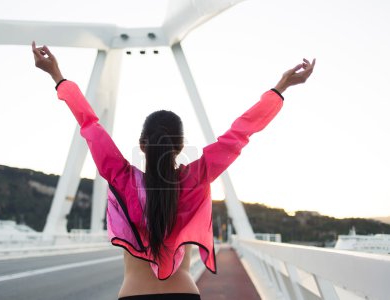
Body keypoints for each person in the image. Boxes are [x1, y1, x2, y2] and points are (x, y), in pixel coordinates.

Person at [32, 41, 315, 300]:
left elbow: (89, 124)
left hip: (133, 294)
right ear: (180, 146)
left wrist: (57, 75)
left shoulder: (120, 176)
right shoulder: (197, 177)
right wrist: (281, 88)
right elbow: (239, 133)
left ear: (142, 144)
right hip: (184, 293)